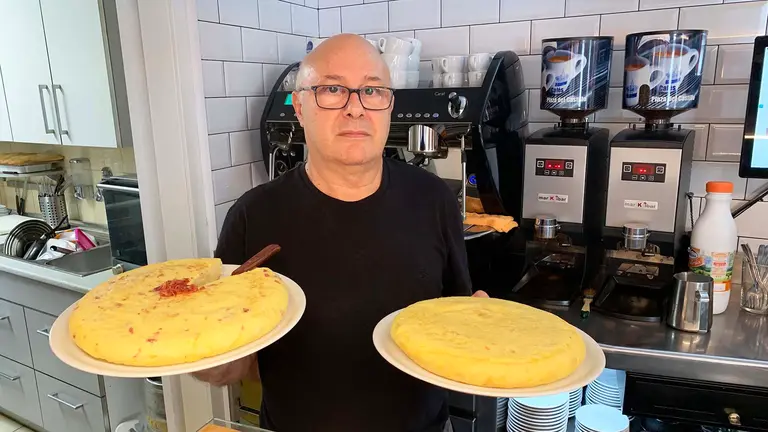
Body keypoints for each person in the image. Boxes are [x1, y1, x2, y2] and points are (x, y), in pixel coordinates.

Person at [195, 33, 486, 432]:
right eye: (332, 89)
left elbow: (452, 322)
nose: (355, 109)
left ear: (390, 106)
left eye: (372, 90)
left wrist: (482, 331)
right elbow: (236, 358)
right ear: (299, 106)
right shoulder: (253, 214)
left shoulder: (434, 199)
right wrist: (204, 355)